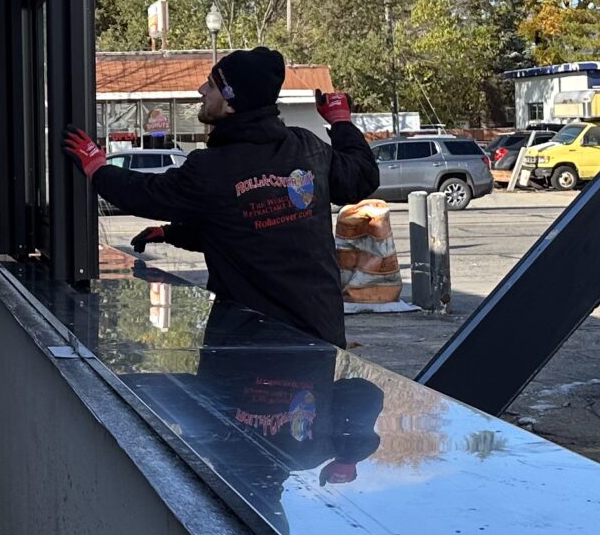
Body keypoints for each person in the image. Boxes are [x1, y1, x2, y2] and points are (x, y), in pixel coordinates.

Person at [63, 47, 380, 346]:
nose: (201, 90)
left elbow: (146, 193)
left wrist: (98, 168)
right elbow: (254, 227)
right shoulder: (307, 148)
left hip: (249, 344)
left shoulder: (212, 168)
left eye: (211, 85)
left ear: (231, 104)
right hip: (319, 334)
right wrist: (341, 122)